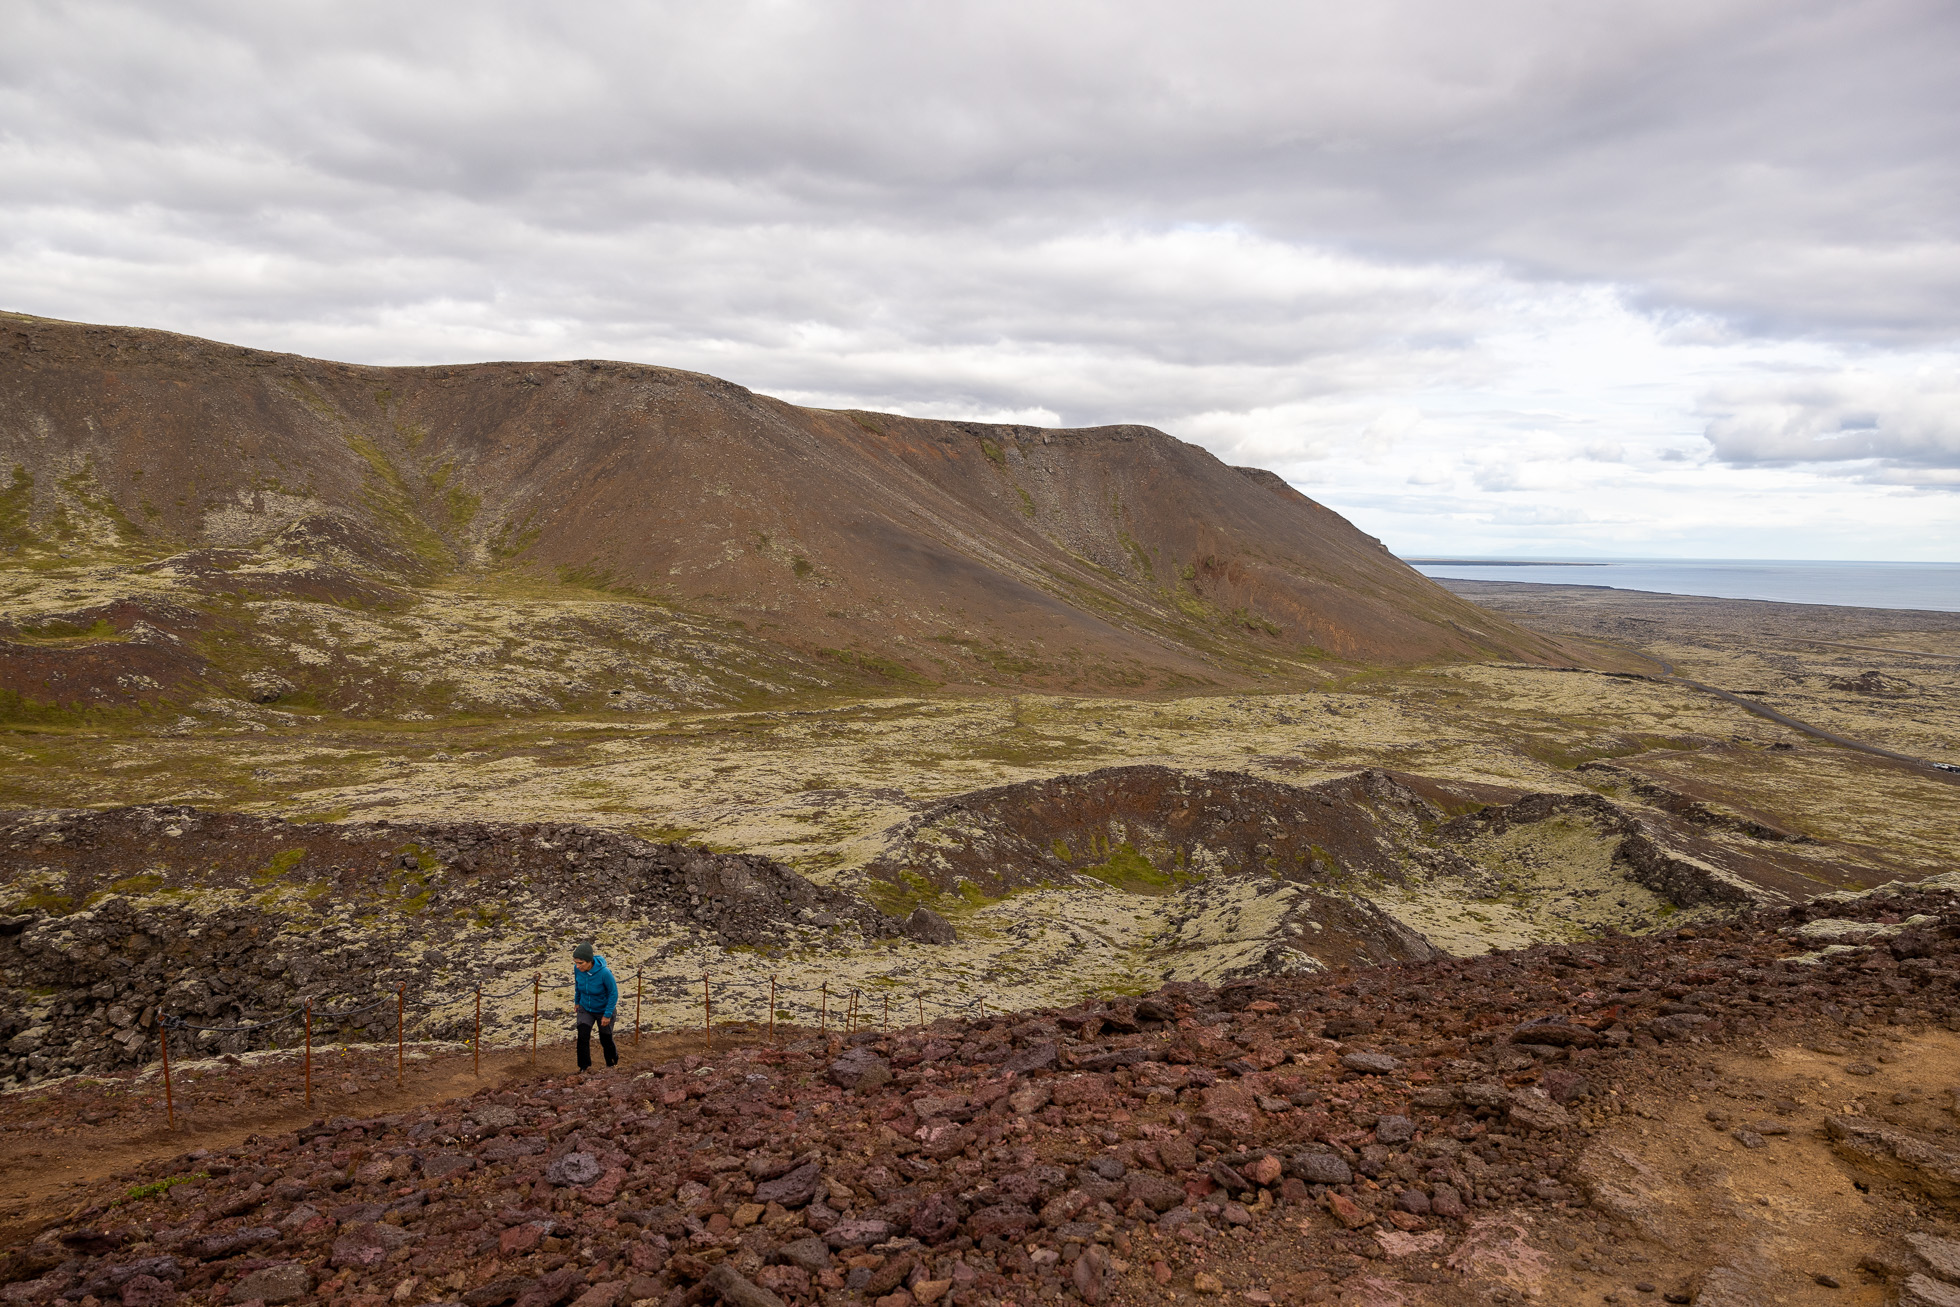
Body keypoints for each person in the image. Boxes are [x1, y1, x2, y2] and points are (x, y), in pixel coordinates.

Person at [571, 940, 619, 1072]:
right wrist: (577, 1001)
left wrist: (607, 1014)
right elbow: (578, 985)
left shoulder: (605, 973)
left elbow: (613, 993)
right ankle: (584, 1067)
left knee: (605, 1039)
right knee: (582, 1035)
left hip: (603, 1010)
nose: (578, 966)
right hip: (585, 1008)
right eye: (576, 963)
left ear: (589, 961)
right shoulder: (578, 970)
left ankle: (612, 1064)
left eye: (581, 963)